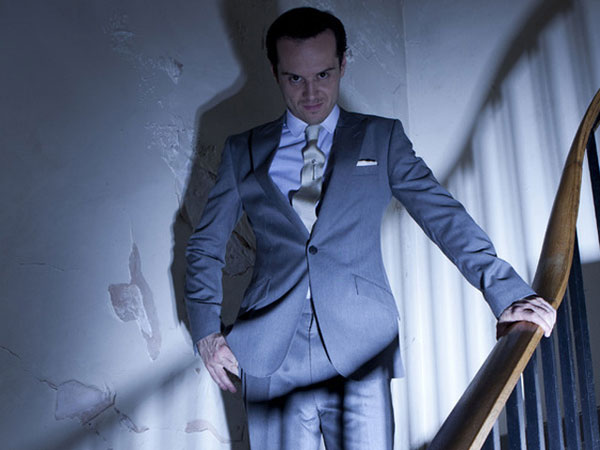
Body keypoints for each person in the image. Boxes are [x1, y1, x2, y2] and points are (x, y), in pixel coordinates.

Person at [185, 7, 556, 449]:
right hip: (270, 352)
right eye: (295, 78)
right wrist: (206, 330)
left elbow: (442, 215)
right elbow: (205, 245)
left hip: (359, 346)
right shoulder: (243, 150)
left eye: (323, 74)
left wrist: (506, 291)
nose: (310, 93)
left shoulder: (381, 138)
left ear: (343, 64)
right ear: (275, 72)